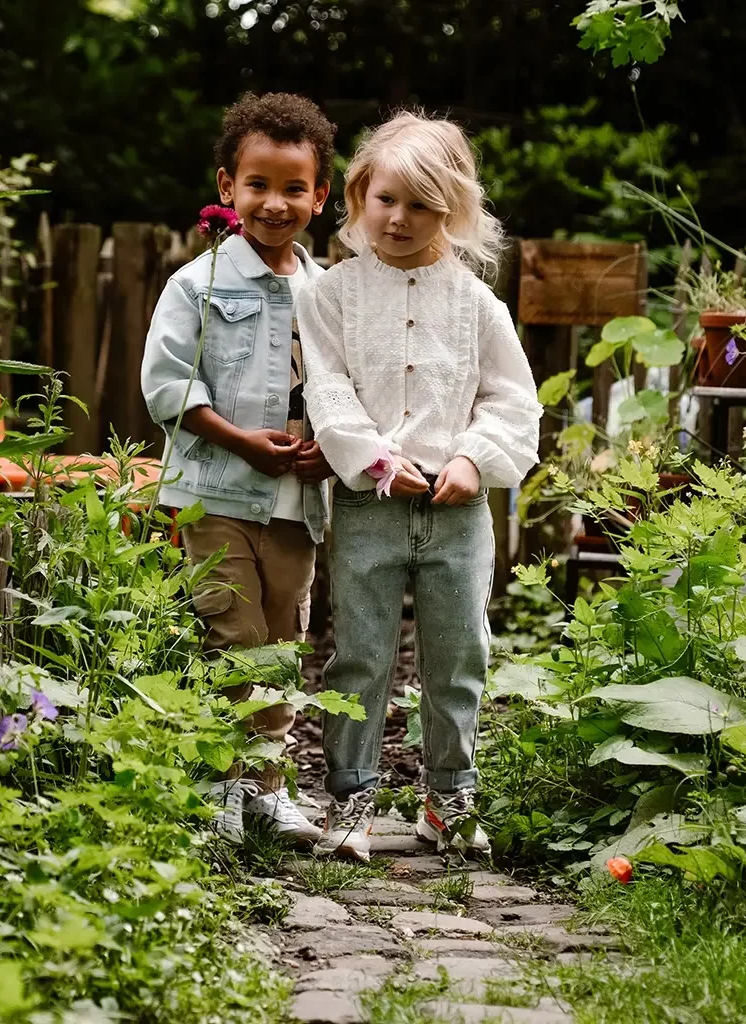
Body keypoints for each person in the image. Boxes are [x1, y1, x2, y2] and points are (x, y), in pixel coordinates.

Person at [296, 111, 542, 861]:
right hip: (370, 503)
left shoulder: (476, 305)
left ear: (453, 211)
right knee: (360, 652)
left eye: (422, 206)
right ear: (358, 193)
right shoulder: (331, 294)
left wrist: (472, 459)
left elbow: (513, 400)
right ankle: (351, 797)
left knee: (458, 649)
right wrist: (372, 457)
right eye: (385, 200)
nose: (399, 219)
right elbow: (328, 390)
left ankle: (450, 797)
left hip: (456, 507)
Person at [141, 92, 337, 846]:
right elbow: (167, 386)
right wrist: (242, 440)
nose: (275, 203)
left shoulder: (327, 295)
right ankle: (225, 782)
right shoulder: (197, 284)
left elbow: (341, 390)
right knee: (233, 632)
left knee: (283, 642)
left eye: (294, 188)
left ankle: (268, 785)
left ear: (320, 196)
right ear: (227, 188)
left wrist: (330, 448)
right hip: (215, 490)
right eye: (258, 185)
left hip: (295, 500)